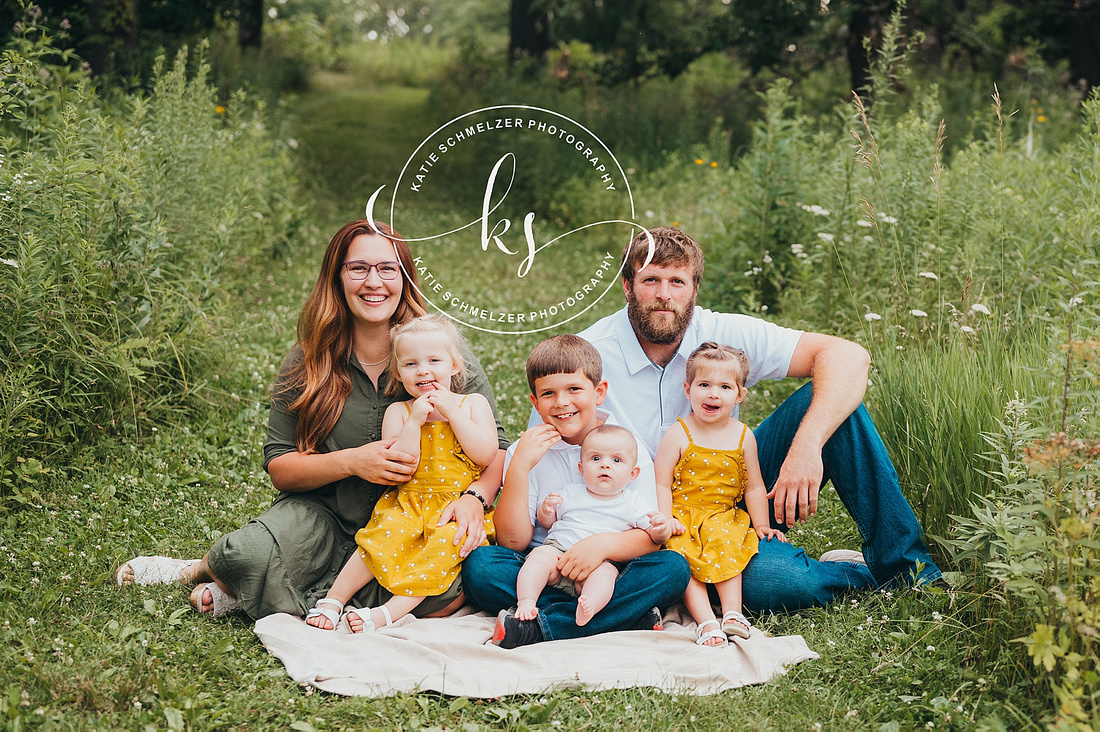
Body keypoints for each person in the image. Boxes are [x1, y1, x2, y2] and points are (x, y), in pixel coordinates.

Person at [117, 220, 508, 620]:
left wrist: (474, 499)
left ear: (404, 277)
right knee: (247, 554)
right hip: (322, 517)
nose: (374, 281)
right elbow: (281, 466)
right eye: (358, 268)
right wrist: (353, 462)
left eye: (388, 269)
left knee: (446, 592)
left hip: (415, 521)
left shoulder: (440, 356)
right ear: (337, 278)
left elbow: (496, 447)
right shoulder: (308, 360)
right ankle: (198, 569)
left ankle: (254, 591)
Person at [577, 226, 943, 612]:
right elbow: (555, 456)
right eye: (650, 280)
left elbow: (849, 357)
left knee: (831, 407)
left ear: (694, 289)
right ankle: (849, 575)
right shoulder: (590, 356)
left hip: (732, 495)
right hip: (646, 522)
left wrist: (805, 447)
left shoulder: (720, 332)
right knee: (777, 583)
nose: (664, 294)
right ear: (627, 286)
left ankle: (910, 571)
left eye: (677, 281)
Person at [463, 335, 690, 648]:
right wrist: (519, 468)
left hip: (611, 567)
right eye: (548, 393)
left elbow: (650, 540)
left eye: (574, 389)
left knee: (672, 570)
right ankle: (624, 617)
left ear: (599, 392)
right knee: (482, 567)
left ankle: (538, 627)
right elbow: (513, 541)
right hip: (547, 566)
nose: (561, 402)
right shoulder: (526, 451)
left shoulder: (627, 448)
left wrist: (600, 546)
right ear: (534, 402)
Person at [304, 315, 499, 632]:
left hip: (454, 509)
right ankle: (333, 600)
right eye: (410, 364)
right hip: (407, 501)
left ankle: (386, 614)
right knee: (377, 540)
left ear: (455, 364)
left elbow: (486, 453)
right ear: (397, 373)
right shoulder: (400, 411)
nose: (423, 370)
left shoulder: (472, 404)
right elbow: (403, 466)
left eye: (434, 360)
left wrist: (451, 412)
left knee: (443, 548)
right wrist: (414, 424)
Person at [654, 342, 786, 648]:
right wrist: (666, 519)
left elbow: (753, 485)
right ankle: (706, 621)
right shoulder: (679, 433)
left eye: (725, 386)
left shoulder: (742, 435)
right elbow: (660, 482)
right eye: (704, 385)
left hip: (722, 514)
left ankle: (732, 613)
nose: (714, 393)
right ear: (688, 390)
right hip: (683, 515)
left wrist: (762, 525)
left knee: (727, 541)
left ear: (739, 395)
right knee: (680, 554)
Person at [514, 425, 671, 628]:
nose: (605, 465)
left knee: (609, 576)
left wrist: (661, 528)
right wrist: (546, 511)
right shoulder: (570, 492)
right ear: (581, 469)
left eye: (616, 460)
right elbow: (548, 524)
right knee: (537, 558)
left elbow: (655, 538)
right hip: (559, 554)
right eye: (596, 459)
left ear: (633, 474)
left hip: (600, 564)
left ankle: (589, 606)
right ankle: (526, 601)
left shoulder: (634, 503)